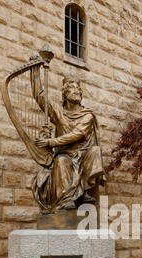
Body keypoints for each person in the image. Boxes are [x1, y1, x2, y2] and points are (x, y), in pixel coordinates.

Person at [31, 67, 106, 212]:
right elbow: (40, 97)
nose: (77, 91)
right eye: (72, 88)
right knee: (61, 161)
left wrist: (50, 142)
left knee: (95, 151)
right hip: (65, 155)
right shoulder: (58, 113)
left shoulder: (87, 115)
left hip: (84, 155)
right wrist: (34, 72)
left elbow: (78, 134)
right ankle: (67, 200)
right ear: (65, 94)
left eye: (78, 89)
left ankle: (85, 192)